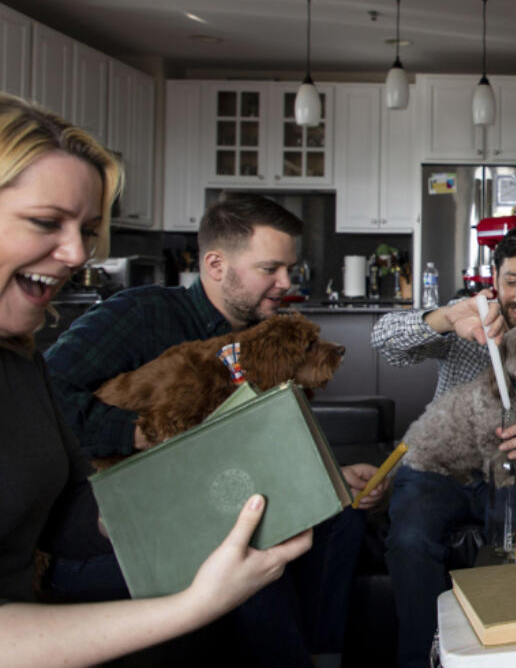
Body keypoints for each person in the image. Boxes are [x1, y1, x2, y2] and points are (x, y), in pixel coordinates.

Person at [0, 94, 313, 668]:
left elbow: (73, 513)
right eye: (46, 222)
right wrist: (195, 600)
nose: (76, 254)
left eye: (89, 230)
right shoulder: (143, 315)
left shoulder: (21, 363)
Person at [44, 191, 386, 665]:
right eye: (270, 269)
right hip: (124, 524)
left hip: (219, 504)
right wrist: (141, 434)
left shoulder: (265, 344)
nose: (287, 283)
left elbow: (252, 446)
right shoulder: (143, 315)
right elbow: (44, 394)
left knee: (343, 517)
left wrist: (328, 473)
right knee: (253, 560)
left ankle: (323, 655)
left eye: (289, 269)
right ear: (216, 263)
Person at [372, 226, 516, 668]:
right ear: (494, 278)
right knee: (410, 540)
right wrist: (445, 317)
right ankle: (421, 659)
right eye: (512, 281)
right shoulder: (464, 324)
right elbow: (384, 340)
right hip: (439, 468)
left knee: (515, 548)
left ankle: (504, 654)